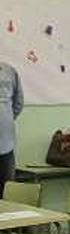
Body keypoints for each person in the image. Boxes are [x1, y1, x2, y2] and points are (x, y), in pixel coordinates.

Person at [0, 61, 23, 197]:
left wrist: (6, 118)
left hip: (5, 145)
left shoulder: (9, 71)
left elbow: (18, 103)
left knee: (8, 192)